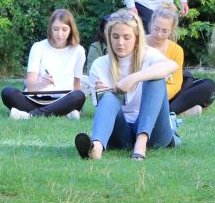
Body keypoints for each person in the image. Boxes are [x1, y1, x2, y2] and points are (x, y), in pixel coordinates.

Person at [75, 10, 178, 160]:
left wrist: (133, 79)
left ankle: (141, 143)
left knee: (156, 78)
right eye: (115, 37)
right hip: (122, 134)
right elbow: (104, 109)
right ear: (108, 38)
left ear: (136, 38)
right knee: (109, 97)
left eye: (127, 37)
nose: (120, 43)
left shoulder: (149, 54)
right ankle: (95, 148)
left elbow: (172, 65)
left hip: (155, 132)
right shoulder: (99, 65)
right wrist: (102, 94)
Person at [1, 9, 87, 119]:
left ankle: (29, 115)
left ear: (71, 30)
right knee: (7, 92)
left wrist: (79, 107)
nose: (59, 34)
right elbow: (30, 85)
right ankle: (63, 113)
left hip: (62, 100)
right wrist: (41, 83)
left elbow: (76, 85)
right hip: (35, 100)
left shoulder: (78, 51)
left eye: (64, 30)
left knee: (79, 96)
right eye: (56, 29)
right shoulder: (38, 47)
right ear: (50, 29)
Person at [145, 3, 215, 116]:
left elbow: (176, 84)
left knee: (208, 85)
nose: (159, 34)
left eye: (164, 31)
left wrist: (159, 96)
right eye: (156, 29)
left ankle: (166, 113)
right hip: (142, 94)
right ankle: (179, 112)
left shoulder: (177, 50)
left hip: (166, 95)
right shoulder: (139, 44)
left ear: (172, 30)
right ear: (151, 25)